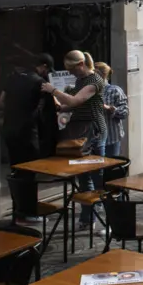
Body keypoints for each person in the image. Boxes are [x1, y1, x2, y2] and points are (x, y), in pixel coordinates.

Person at [42, 50, 107, 229]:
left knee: (96, 174)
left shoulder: (94, 81)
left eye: (72, 69)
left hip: (93, 131)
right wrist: (59, 107)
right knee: (83, 174)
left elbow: (76, 102)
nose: (70, 73)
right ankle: (87, 217)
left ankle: (98, 216)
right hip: (79, 130)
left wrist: (53, 90)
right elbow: (73, 106)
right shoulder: (80, 80)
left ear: (81, 64)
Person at [0, 53, 53, 171]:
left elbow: (1, 102)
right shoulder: (40, 82)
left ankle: (16, 189)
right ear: (44, 66)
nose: (47, 73)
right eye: (47, 70)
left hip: (10, 128)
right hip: (27, 131)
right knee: (30, 167)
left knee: (15, 166)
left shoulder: (13, 76)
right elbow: (52, 106)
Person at [95, 62, 129, 158]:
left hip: (111, 138)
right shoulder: (89, 91)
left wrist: (109, 108)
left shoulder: (114, 90)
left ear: (102, 75)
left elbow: (125, 112)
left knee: (110, 167)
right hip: (94, 139)